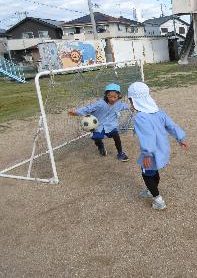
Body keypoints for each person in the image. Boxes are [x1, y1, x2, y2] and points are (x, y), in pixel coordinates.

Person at [127, 82, 188, 210]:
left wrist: (147, 154)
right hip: (162, 149)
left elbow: (147, 137)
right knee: (154, 171)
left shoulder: (141, 117)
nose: (130, 104)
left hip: (151, 153)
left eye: (131, 101)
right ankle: (151, 190)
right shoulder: (159, 112)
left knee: (146, 174)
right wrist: (180, 138)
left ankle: (158, 200)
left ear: (135, 101)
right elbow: (171, 125)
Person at [68, 83, 131, 161]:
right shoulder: (100, 104)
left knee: (116, 136)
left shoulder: (119, 104)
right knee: (96, 137)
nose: (112, 99)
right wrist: (76, 112)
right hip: (98, 126)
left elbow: (126, 106)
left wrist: (133, 107)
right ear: (106, 95)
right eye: (110, 96)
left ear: (118, 96)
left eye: (115, 97)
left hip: (111, 125)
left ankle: (120, 153)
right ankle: (100, 146)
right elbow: (88, 108)